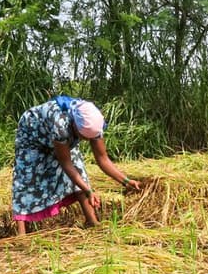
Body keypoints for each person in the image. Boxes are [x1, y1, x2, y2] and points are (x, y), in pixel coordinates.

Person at [12, 96, 141, 234]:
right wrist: (89, 191)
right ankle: (21, 234)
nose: (86, 140)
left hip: (61, 135)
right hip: (33, 134)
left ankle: (92, 221)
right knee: (27, 177)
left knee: (79, 170)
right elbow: (66, 163)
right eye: (84, 137)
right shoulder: (61, 125)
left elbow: (103, 159)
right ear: (74, 125)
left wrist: (126, 181)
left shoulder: (94, 123)